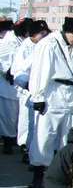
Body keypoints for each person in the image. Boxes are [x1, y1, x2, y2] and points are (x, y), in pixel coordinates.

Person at [27, 17, 73, 188]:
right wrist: (38, 96)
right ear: (66, 31)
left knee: (68, 138)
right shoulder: (49, 44)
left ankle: (63, 174)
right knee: (44, 136)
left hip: (71, 96)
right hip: (52, 94)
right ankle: (38, 175)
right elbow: (39, 71)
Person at [10, 20, 50, 159]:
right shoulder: (25, 47)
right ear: (33, 34)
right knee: (26, 121)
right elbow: (17, 70)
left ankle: (30, 148)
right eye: (41, 33)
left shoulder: (43, 46)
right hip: (27, 89)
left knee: (35, 123)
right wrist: (28, 84)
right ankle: (25, 146)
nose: (44, 36)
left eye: (45, 33)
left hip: (39, 90)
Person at [0, 18, 30, 154]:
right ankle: (8, 141)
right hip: (7, 86)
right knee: (8, 116)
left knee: (16, 116)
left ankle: (14, 140)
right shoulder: (8, 42)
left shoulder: (21, 41)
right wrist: (8, 71)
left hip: (18, 87)